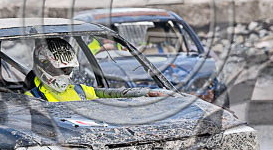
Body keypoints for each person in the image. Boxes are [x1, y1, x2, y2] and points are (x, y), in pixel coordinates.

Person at [25, 38, 169, 102]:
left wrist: (145, 93)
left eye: (67, 69)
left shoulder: (80, 91)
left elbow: (111, 94)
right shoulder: (30, 98)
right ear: (42, 66)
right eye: (58, 69)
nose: (63, 74)